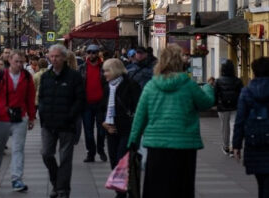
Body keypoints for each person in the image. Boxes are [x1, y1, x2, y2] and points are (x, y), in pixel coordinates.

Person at [128, 44, 215, 198]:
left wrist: (132, 142)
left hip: (156, 146)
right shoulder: (188, 85)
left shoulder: (151, 86)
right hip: (184, 146)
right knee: (182, 188)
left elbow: (140, 117)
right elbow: (206, 103)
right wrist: (208, 87)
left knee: (156, 188)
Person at [0, 50, 36, 192]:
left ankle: (16, 179)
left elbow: (30, 98)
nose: (19, 64)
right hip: (1, 117)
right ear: (10, 61)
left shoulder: (27, 77)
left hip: (20, 117)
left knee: (18, 149)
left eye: (21, 62)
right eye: (16, 61)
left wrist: (31, 117)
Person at [37, 44, 85, 198]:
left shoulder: (74, 76)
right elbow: (42, 98)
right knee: (46, 154)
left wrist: (71, 116)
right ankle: (56, 182)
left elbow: (80, 99)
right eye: (51, 56)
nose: (54, 59)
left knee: (65, 159)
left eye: (57, 56)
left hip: (67, 125)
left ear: (64, 58)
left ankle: (62, 190)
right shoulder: (46, 76)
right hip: (48, 124)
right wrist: (42, 115)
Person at [101, 58, 141, 198]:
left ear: (115, 70)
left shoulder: (130, 85)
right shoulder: (107, 87)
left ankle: (123, 192)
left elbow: (138, 108)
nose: (104, 74)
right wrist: (104, 123)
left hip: (126, 129)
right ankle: (122, 190)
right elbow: (102, 108)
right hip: (111, 129)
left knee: (121, 160)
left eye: (107, 71)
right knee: (114, 161)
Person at [233, 57, 269, 198]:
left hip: (254, 142)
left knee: (261, 181)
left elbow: (240, 120)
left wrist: (236, 145)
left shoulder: (246, 92)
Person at [79, 44, 107, 162]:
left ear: (98, 53)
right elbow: (78, 86)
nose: (91, 54)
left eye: (94, 52)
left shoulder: (104, 67)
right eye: (89, 52)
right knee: (88, 131)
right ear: (86, 54)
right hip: (87, 105)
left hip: (101, 104)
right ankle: (91, 153)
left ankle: (100, 149)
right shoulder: (82, 68)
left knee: (101, 131)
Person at [215, 59, 244, 156]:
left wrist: (215, 104)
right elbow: (242, 94)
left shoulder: (218, 81)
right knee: (233, 126)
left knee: (224, 127)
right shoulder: (238, 81)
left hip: (222, 107)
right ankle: (232, 147)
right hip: (235, 107)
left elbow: (215, 94)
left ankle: (225, 146)